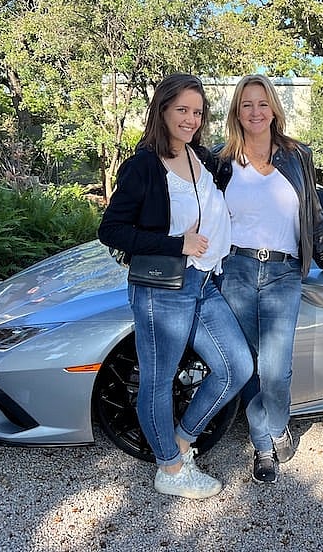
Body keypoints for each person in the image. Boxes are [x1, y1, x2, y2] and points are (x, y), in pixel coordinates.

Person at [98, 73, 253, 498]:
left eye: (197, 112)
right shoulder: (143, 165)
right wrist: (175, 243)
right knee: (157, 379)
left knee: (237, 366)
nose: (190, 118)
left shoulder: (200, 158)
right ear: (162, 110)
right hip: (163, 289)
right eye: (181, 110)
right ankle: (169, 470)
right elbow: (110, 229)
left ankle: (181, 443)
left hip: (205, 284)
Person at [209, 74, 323, 484]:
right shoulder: (221, 161)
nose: (255, 112)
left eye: (262, 104)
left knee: (276, 367)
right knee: (252, 366)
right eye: (246, 105)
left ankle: (278, 425)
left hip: (282, 272)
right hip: (235, 270)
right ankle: (264, 445)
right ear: (236, 113)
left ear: (274, 108)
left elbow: (312, 213)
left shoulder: (297, 155)